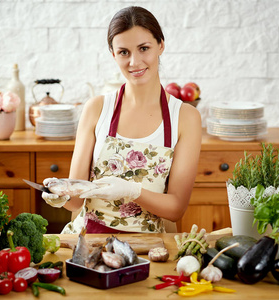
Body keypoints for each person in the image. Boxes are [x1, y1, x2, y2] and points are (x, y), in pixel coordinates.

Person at [42, 6, 202, 234]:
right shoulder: (97, 108)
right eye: (124, 52)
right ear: (113, 54)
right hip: (89, 240)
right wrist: (59, 193)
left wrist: (132, 191)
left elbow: (176, 209)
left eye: (144, 48)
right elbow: (75, 202)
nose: (134, 62)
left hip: (149, 248)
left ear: (161, 46)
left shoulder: (185, 117)